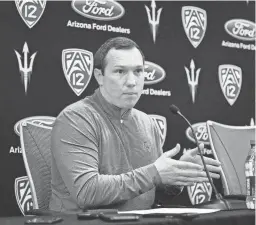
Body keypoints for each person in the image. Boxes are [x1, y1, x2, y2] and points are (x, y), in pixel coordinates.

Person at [49, 37, 221, 213]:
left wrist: (175, 175)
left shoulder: (147, 123)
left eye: (138, 71)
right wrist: (155, 173)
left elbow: (149, 191)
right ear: (99, 76)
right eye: (120, 71)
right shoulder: (76, 119)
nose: (131, 81)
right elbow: (87, 192)